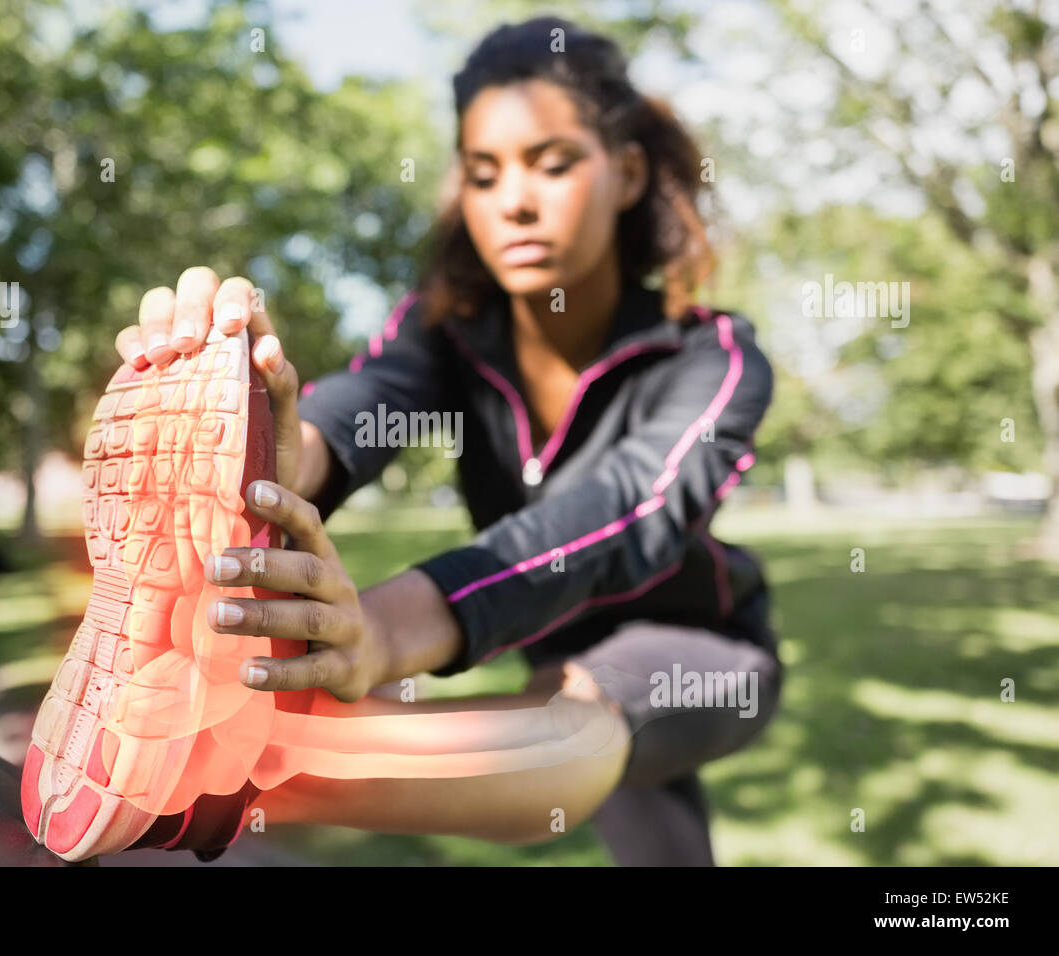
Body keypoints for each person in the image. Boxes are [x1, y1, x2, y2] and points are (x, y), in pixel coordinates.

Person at [110, 15, 782, 865]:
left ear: (628, 173)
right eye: (484, 174)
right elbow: (365, 402)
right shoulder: (449, 333)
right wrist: (266, 449)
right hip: (553, 638)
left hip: (702, 649)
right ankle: (211, 756)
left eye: (555, 162)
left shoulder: (714, 358)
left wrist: (385, 631)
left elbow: (614, 514)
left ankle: (222, 766)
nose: (516, 202)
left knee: (566, 729)